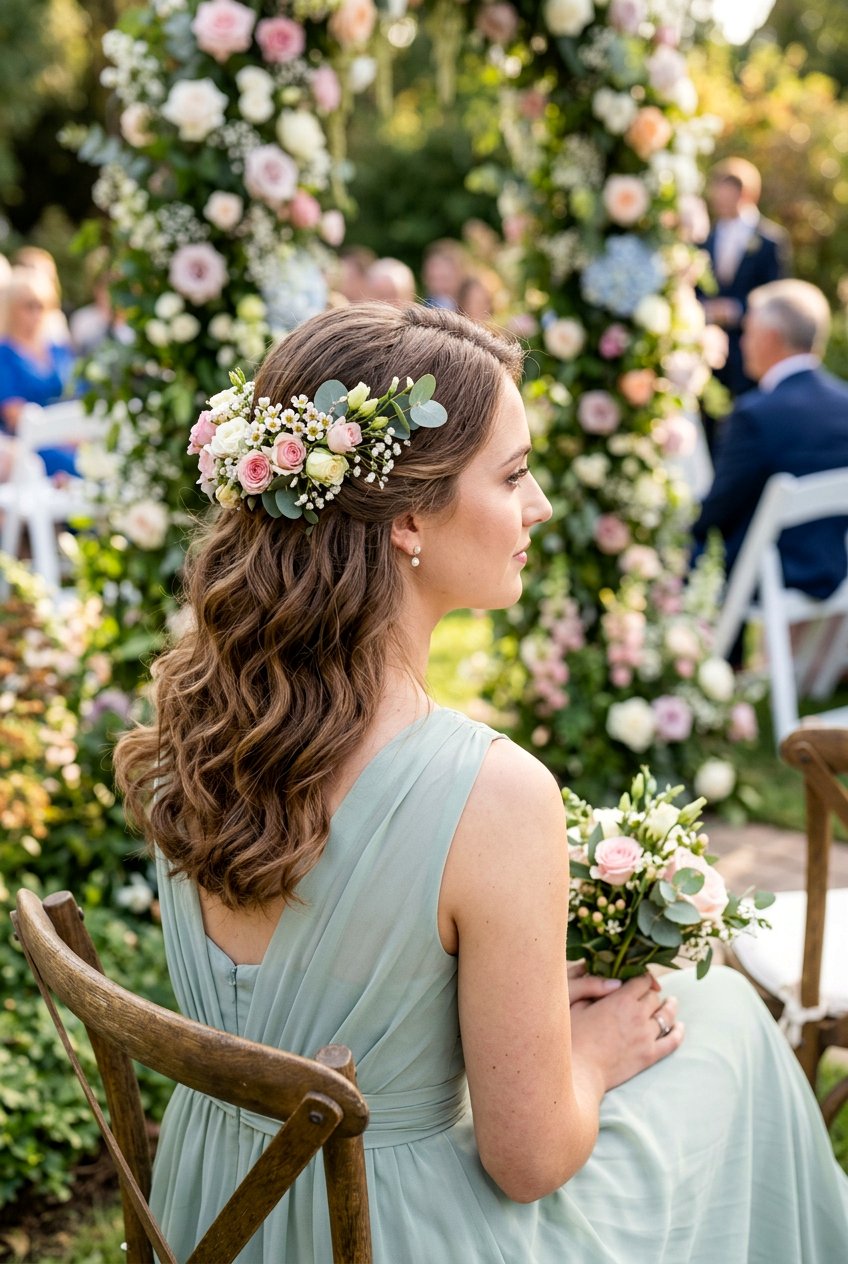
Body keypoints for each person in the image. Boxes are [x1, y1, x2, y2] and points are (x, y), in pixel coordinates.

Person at [115, 303, 848, 1262]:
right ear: (409, 515)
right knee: (725, 1033)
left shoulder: (198, 733)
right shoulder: (491, 794)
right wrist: (591, 1052)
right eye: (512, 474)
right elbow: (530, 1161)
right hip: (389, 1231)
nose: (539, 503)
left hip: (223, 1206)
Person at [693, 278, 848, 604]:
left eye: (747, 332)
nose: (743, 344)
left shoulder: (755, 414)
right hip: (835, 570)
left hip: (769, 577)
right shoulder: (843, 404)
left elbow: (718, 511)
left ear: (770, 338)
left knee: (691, 549)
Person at [700, 158, 791, 403]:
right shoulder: (703, 239)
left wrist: (738, 309)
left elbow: (776, 295)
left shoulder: (771, 241)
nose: (718, 197)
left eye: (725, 190)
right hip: (707, 350)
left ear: (746, 193)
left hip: (750, 349)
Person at [0, 268, 78, 480]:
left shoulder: (59, 350)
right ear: (12, 308)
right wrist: (63, 434)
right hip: (32, 444)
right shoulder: (4, 354)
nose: (36, 314)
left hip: (75, 437)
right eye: (29, 306)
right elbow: (14, 414)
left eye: (41, 306)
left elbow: (79, 393)